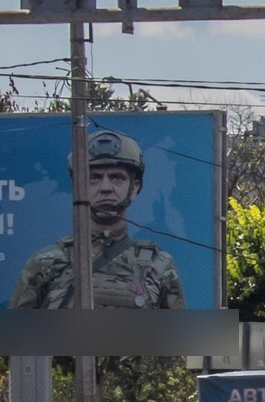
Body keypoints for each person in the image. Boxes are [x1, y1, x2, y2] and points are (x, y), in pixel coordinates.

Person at [10, 129, 187, 309]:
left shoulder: (159, 265)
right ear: (78, 187)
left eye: (116, 178)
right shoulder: (45, 263)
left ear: (134, 188)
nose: (105, 188)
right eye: (93, 178)